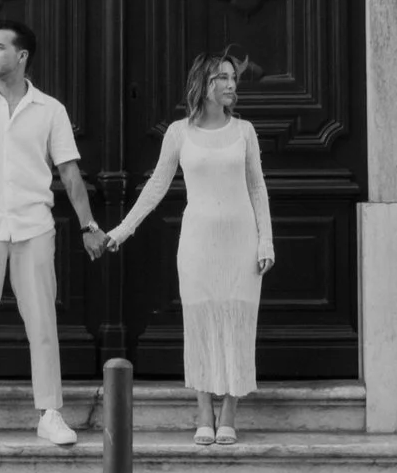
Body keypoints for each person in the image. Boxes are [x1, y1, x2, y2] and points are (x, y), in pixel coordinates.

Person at [0, 19, 104, 449]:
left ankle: (50, 413)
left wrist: (88, 225)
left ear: (22, 56)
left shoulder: (51, 110)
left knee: (42, 322)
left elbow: (68, 172)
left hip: (33, 228)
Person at [104, 53, 275, 443]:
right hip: (197, 242)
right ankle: (203, 409)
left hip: (241, 241)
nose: (231, 85)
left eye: (233, 78)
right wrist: (123, 230)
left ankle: (230, 412)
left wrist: (266, 240)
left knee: (237, 322)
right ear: (203, 84)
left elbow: (257, 187)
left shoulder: (244, 130)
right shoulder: (179, 132)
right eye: (222, 78)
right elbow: (157, 186)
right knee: (199, 321)